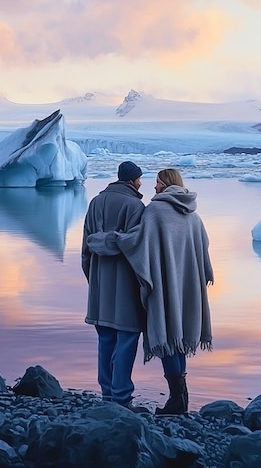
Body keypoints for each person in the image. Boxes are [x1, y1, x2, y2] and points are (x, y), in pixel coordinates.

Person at [87, 168, 213, 415]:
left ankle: (162, 399)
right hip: (187, 287)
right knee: (178, 340)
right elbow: (204, 251)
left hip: (164, 286)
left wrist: (97, 242)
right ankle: (180, 398)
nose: (153, 187)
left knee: (166, 337)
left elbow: (134, 241)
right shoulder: (194, 215)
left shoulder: (155, 211)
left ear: (166, 184)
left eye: (157, 182)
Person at [81, 160, 146, 408]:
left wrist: (92, 279)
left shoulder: (95, 202)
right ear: (132, 180)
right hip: (126, 285)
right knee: (127, 339)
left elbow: (86, 247)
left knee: (105, 340)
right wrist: (145, 285)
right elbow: (138, 248)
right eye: (139, 179)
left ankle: (107, 395)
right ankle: (121, 397)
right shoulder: (136, 206)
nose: (141, 183)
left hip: (99, 285)